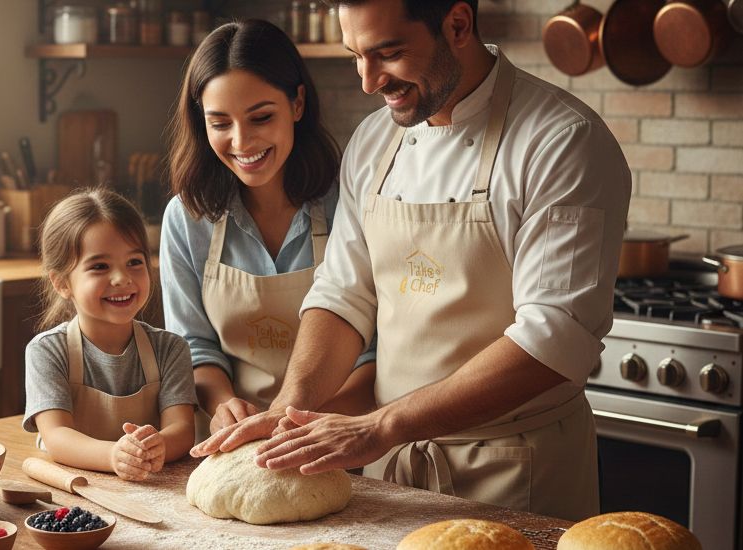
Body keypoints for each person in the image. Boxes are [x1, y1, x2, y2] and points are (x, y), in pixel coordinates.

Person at [191, 0, 631, 522]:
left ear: (458, 25)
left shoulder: (559, 141)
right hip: (391, 474)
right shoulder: (375, 141)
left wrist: (381, 426)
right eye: (356, 55)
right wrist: (292, 408)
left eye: (389, 54)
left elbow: (554, 336)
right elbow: (342, 295)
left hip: (515, 472)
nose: (368, 81)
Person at [161, 19, 376, 440]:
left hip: (339, 434)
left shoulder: (348, 205)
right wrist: (225, 407)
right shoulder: (187, 218)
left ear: (297, 104)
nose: (242, 142)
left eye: (260, 117)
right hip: (231, 441)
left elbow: (374, 353)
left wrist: (301, 427)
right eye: (220, 123)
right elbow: (193, 345)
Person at [22, 188, 197, 481]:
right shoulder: (47, 351)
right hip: (79, 490)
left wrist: (159, 446)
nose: (122, 278)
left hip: (150, 486)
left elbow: (182, 429)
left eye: (134, 262)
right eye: (100, 266)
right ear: (62, 283)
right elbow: (56, 436)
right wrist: (113, 456)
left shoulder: (170, 348)